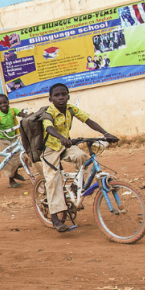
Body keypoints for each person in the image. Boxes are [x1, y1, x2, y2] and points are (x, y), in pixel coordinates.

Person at [41, 83, 118, 232]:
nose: (61, 97)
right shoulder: (48, 113)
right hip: (50, 149)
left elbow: (88, 120)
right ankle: (55, 218)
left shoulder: (71, 109)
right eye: (56, 95)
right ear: (50, 99)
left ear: (68, 96)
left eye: (63, 94)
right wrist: (61, 137)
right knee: (53, 180)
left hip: (66, 145)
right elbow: (49, 128)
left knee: (82, 156)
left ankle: (77, 186)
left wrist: (106, 133)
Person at [0, 94, 29, 188]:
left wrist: (27, 116)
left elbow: (21, 114)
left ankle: (15, 174)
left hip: (13, 138)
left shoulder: (13, 111)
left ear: (8, 102)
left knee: (19, 157)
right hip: (3, 140)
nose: (3, 105)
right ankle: (11, 180)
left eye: (5, 102)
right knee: (9, 160)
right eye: (0, 104)